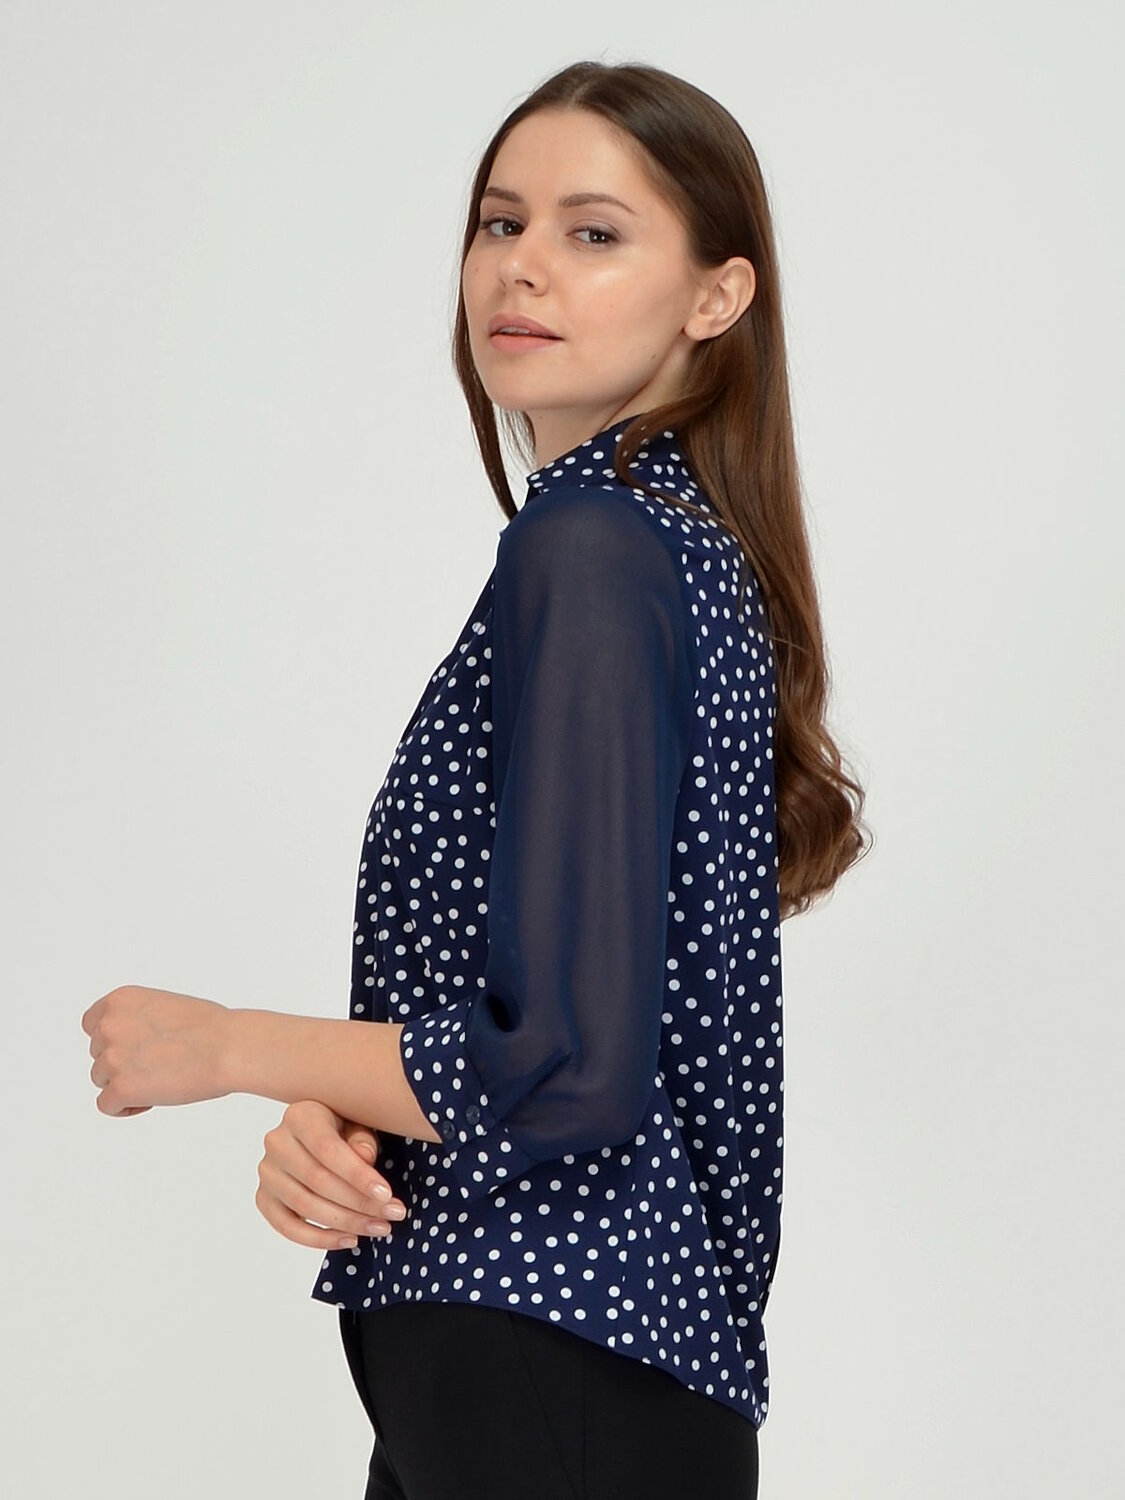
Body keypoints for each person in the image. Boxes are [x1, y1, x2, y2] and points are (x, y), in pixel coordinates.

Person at [82, 59, 870, 1500]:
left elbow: (564, 1068)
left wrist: (226, 1046)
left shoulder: (594, 548)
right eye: (500, 222)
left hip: (549, 1355)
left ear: (716, 296)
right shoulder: (657, 546)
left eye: (593, 232)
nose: (522, 265)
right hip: (550, 1361)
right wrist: (353, 1109)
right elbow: (552, 1027)